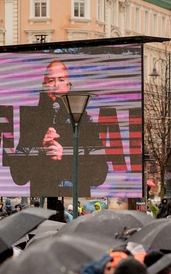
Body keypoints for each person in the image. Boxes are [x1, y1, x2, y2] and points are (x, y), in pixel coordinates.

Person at [9, 60, 108, 197]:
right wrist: (41, 150)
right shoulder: (32, 122)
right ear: (44, 86)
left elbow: (100, 174)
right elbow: (18, 176)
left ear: (69, 85)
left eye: (61, 80)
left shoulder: (85, 121)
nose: (56, 86)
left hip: (75, 200)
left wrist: (66, 155)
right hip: (42, 201)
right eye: (51, 81)